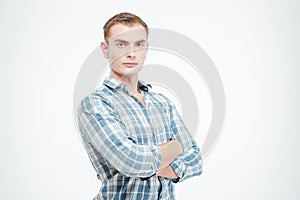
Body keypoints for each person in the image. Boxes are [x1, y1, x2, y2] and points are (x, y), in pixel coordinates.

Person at [77, 12, 202, 200]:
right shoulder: (95, 104)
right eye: (121, 44)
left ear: (146, 49)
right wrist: (175, 147)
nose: (131, 53)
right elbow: (132, 161)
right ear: (105, 49)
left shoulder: (163, 103)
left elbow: (195, 161)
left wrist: (152, 163)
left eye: (139, 45)